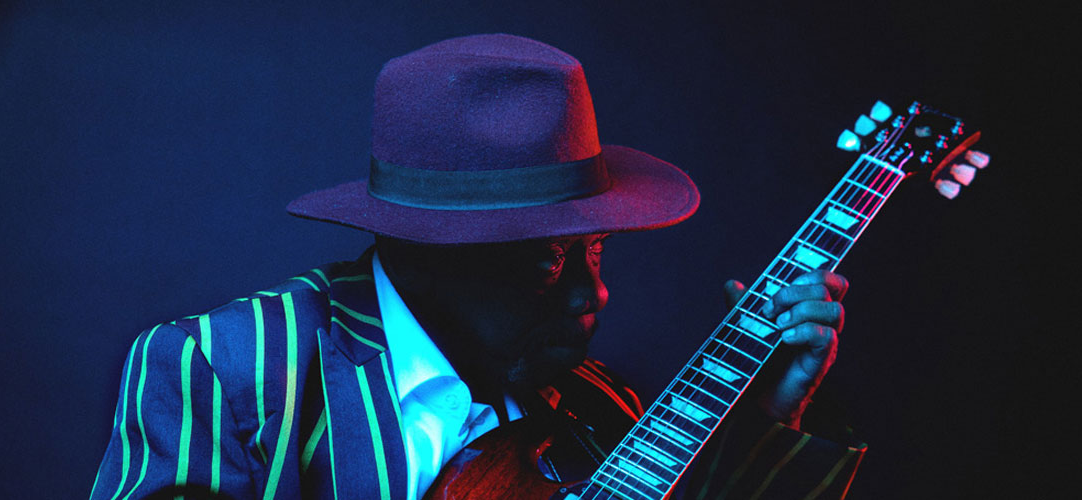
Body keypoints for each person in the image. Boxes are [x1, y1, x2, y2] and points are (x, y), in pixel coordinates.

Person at [90, 34, 865, 500]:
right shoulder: (226, 368)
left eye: (596, 247)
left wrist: (778, 410)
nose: (593, 293)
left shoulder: (601, 407)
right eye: (547, 260)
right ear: (429, 248)